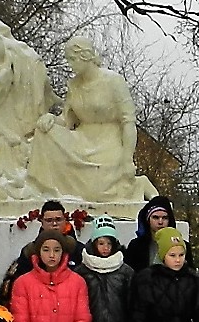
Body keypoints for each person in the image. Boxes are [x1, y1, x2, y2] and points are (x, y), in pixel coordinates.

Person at [26, 36, 141, 201]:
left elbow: (128, 121)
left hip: (108, 141)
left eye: (72, 59)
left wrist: (127, 159)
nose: (70, 64)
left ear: (86, 56)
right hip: (81, 140)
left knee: (97, 194)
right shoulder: (73, 85)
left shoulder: (113, 81)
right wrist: (50, 118)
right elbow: (67, 120)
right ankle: (46, 191)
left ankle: (139, 184)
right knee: (44, 131)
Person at [0, 200, 70, 304]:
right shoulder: (30, 252)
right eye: (49, 220)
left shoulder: (76, 250)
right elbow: (14, 287)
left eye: (58, 220)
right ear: (42, 222)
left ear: (65, 220)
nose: (54, 224)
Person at [125, 195, 175, 272]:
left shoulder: (181, 246)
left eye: (165, 218)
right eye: (155, 217)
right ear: (148, 220)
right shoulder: (136, 246)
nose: (160, 222)